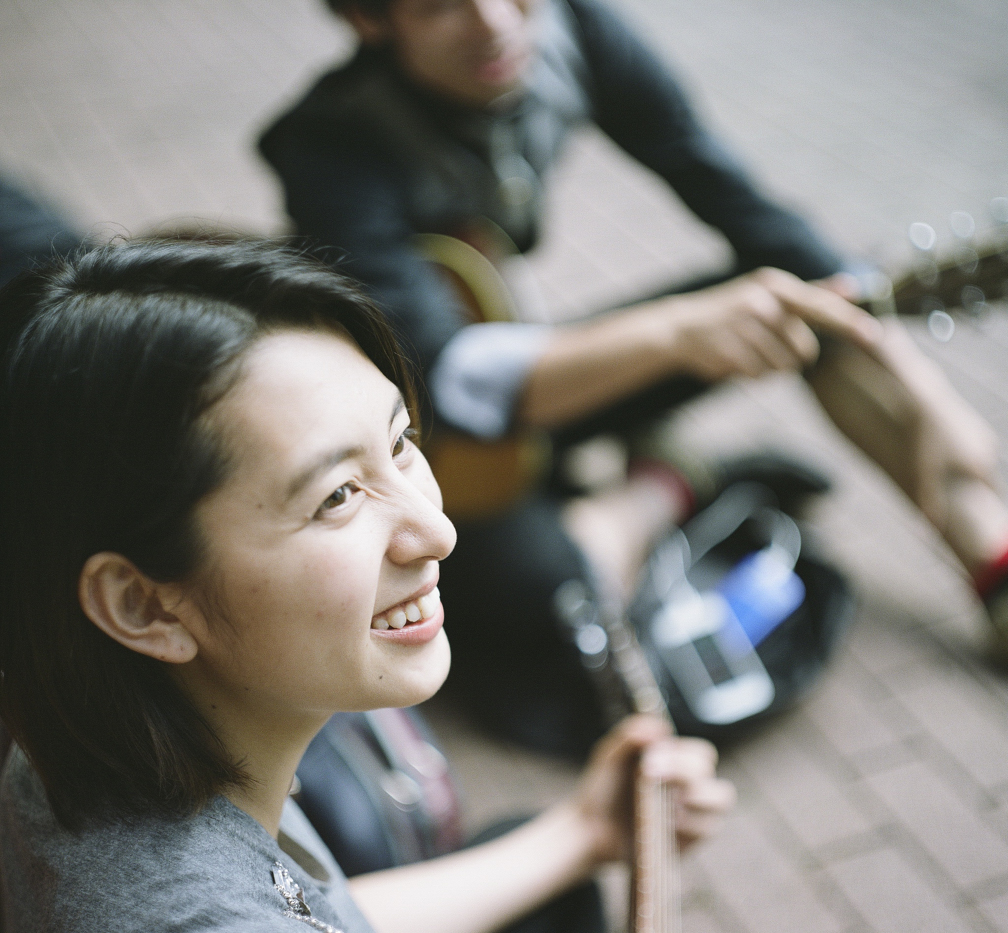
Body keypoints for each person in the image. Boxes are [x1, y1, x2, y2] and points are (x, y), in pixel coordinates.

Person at [0, 238, 734, 933]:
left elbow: (324, 927)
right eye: (338, 496)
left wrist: (584, 832)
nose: (437, 531)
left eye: (401, 443)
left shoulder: (93, 745)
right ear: (144, 605)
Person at [259, 0, 1008, 752]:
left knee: (792, 294)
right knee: (552, 604)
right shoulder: (332, 143)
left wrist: (925, 390)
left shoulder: (574, 27)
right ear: (369, 19)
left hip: (534, 375)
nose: (493, 21)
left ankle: (991, 552)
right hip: (426, 447)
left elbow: (736, 199)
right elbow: (454, 383)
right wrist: (678, 334)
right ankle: (668, 477)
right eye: (438, 4)